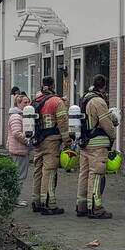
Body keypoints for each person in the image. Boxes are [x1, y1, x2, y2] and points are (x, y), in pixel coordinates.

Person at [76, 74, 117, 219]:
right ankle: (95, 207)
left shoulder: (84, 98)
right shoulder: (98, 101)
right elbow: (106, 123)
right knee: (97, 174)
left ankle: (81, 206)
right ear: (104, 86)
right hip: (97, 145)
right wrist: (113, 135)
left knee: (84, 174)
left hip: (84, 143)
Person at [30, 76, 70, 215]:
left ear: (43, 85)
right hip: (51, 140)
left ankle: (36, 202)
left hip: (37, 141)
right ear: (53, 85)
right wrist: (67, 141)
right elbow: (63, 122)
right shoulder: (56, 101)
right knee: (49, 170)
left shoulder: (35, 101)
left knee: (38, 170)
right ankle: (48, 204)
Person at [6, 93, 31, 208]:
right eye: (25, 102)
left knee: (18, 175)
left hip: (18, 149)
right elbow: (17, 133)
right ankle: (14, 199)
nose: (27, 104)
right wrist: (27, 141)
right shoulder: (16, 116)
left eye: (28, 102)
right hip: (19, 150)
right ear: (18, 103)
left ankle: (12, 198)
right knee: (20, 176)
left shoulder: (20, 115)